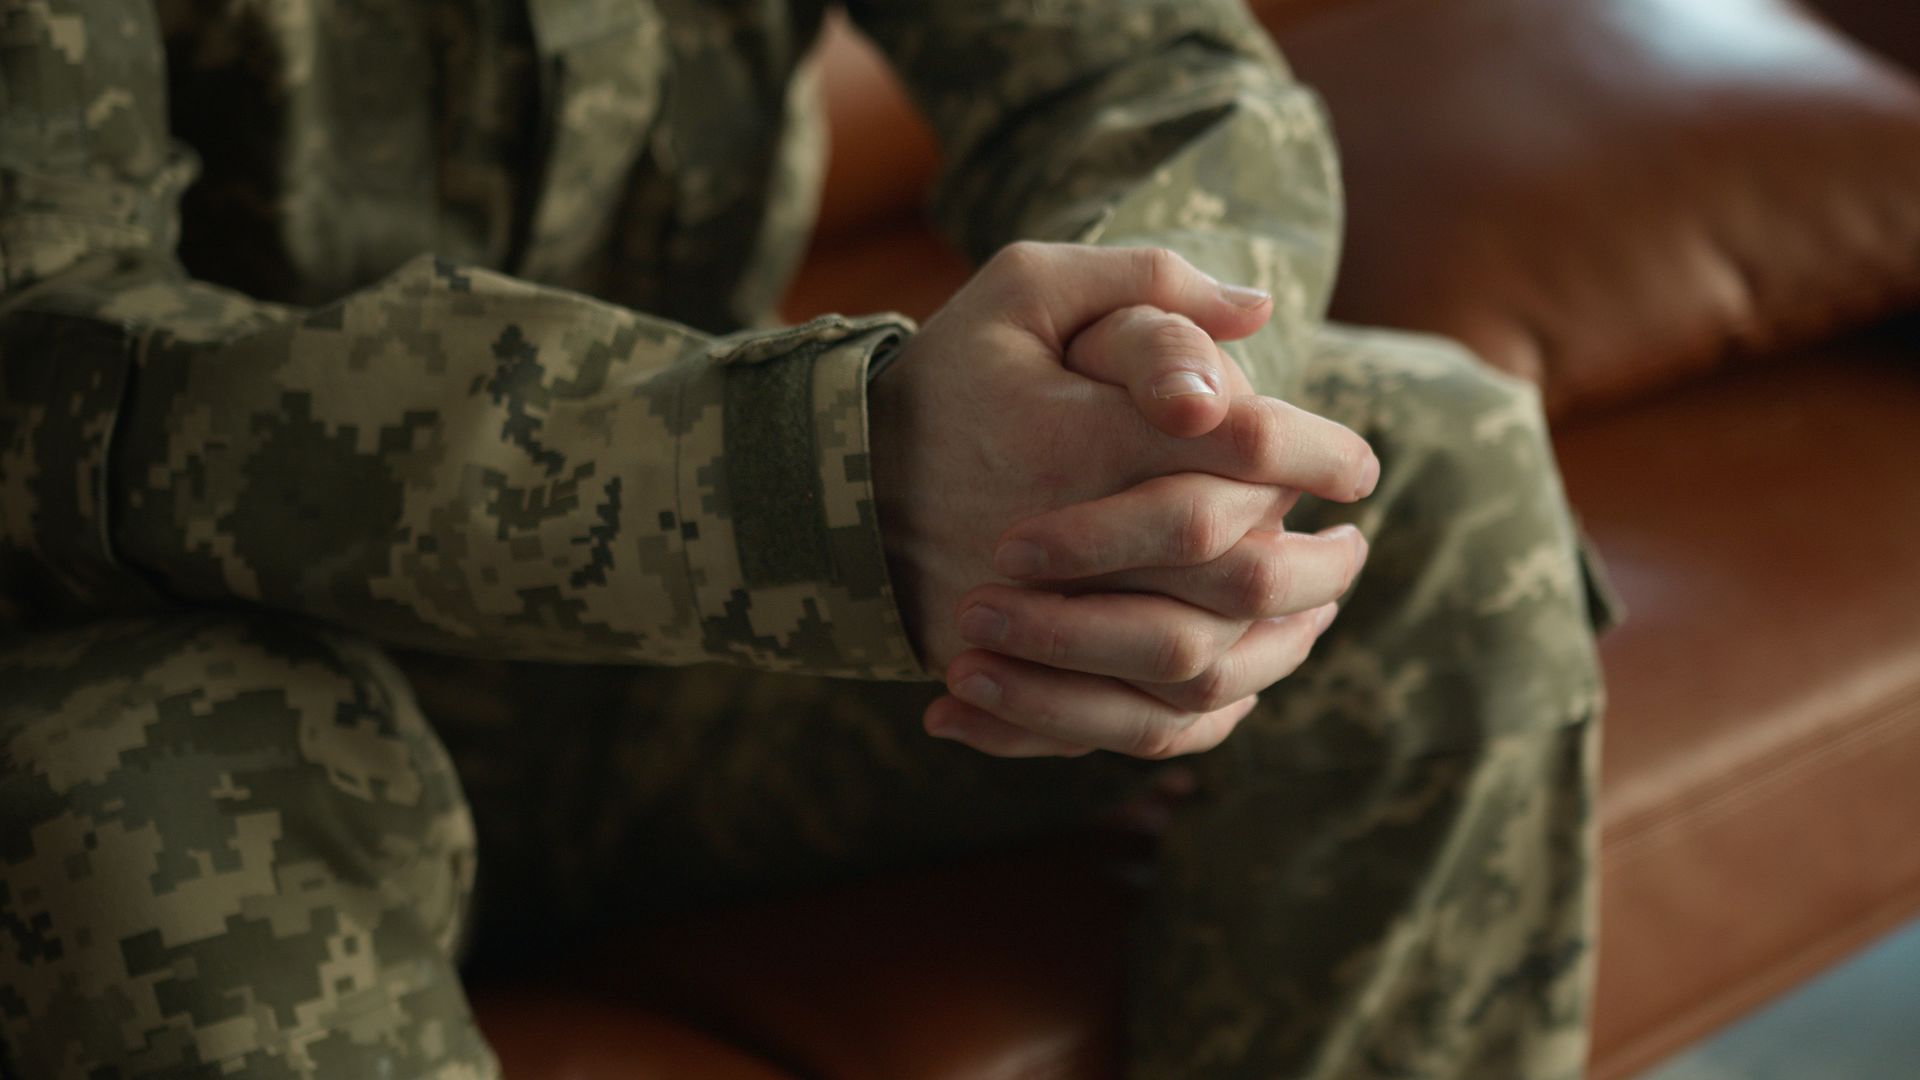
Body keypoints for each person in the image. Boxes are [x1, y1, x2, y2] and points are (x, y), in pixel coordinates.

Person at [0, 0, 1612, 1076]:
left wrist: (1148, 387)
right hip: (175, 641)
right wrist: (798, 476)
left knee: (1434, 471)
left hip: (670, 659)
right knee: (131, 793)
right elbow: (39, 348)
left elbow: (1144, 65)